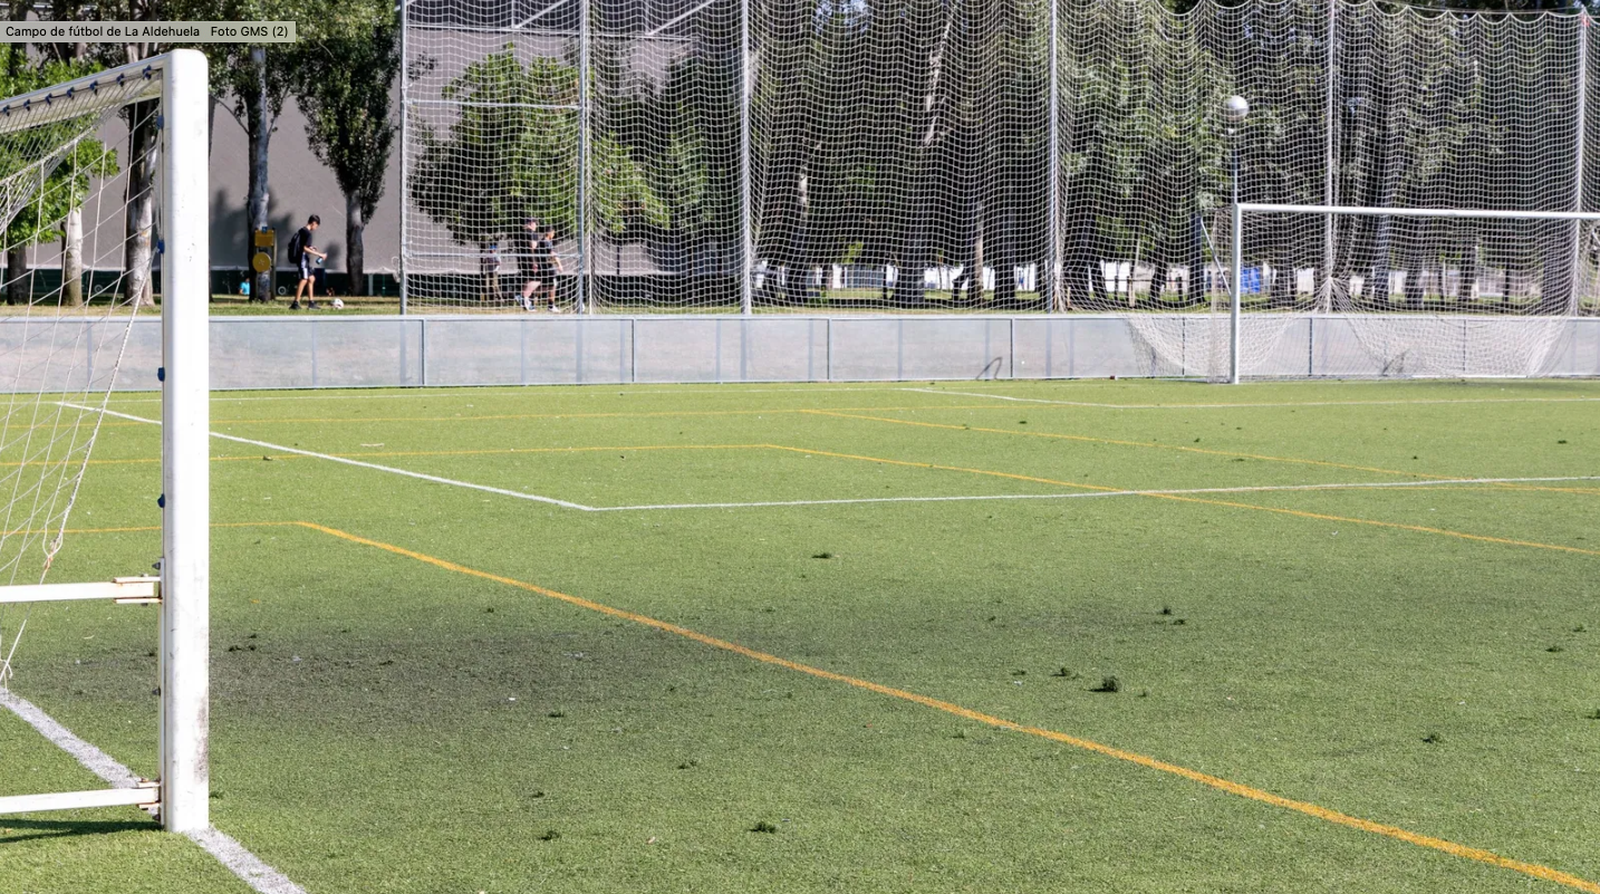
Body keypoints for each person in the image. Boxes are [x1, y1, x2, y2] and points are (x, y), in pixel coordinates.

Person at [289, 214, 328, 310]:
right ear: (313, 223)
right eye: (316, 226)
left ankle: (311, 302)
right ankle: (295, 303)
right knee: (304, 279)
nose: (316, 228)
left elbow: (303, 246)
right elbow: (304, 248)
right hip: (303, 259)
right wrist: (320, 254)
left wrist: (311, 248)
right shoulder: (308, 234)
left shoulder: (302, 230)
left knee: (311, 279)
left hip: (301, 258)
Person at [537, 222, 564, 312]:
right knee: (552, 286)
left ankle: (529, 299)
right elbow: (551, 254)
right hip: (548, 268)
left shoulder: (541, 241)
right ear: (549, 232)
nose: (554, 234)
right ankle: (551, 306)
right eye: (553, 232)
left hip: (543, 267)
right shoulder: (546, 242)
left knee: (546, 286)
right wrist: (559, 264)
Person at [517, 217, 542, 311]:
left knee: (528, 280)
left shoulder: (522, 234)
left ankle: (526, 300)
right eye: (535, 223)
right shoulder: (532, 234)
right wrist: (534, 262)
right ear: (531, 223)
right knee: (537, 280)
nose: (536, 225)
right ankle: (524, 297)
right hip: (530, 261)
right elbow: (533, 248)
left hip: (522, 260)